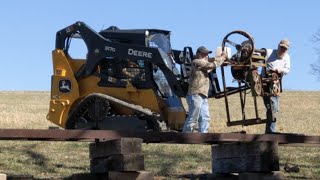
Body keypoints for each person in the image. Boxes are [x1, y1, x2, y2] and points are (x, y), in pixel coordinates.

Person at [182, 46, 227, 133]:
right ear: (198, 54)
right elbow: (211, 65)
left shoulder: (202, 64)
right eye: (204, 54)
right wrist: (222, 57)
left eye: (207, 54)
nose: (206, 55)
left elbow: (211, 65)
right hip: (195, 94)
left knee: (205, 117)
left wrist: (219, 58)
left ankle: (203, 136)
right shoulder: (197, 62)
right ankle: (185, 136)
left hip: (203, 94)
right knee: (193, 117)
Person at [262, 39, 291, 133]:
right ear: (278, 46)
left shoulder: (287, 57)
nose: (282, 50)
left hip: (276, 86)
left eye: (284, 49)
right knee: (272, 107)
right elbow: (259, 54)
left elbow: (287, 69)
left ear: (287, 50)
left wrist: (280, 70)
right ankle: (270, 131)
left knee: (275, 109)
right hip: (265, 85)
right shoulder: (269, 52)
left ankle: (269, 131)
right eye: (281, 47)